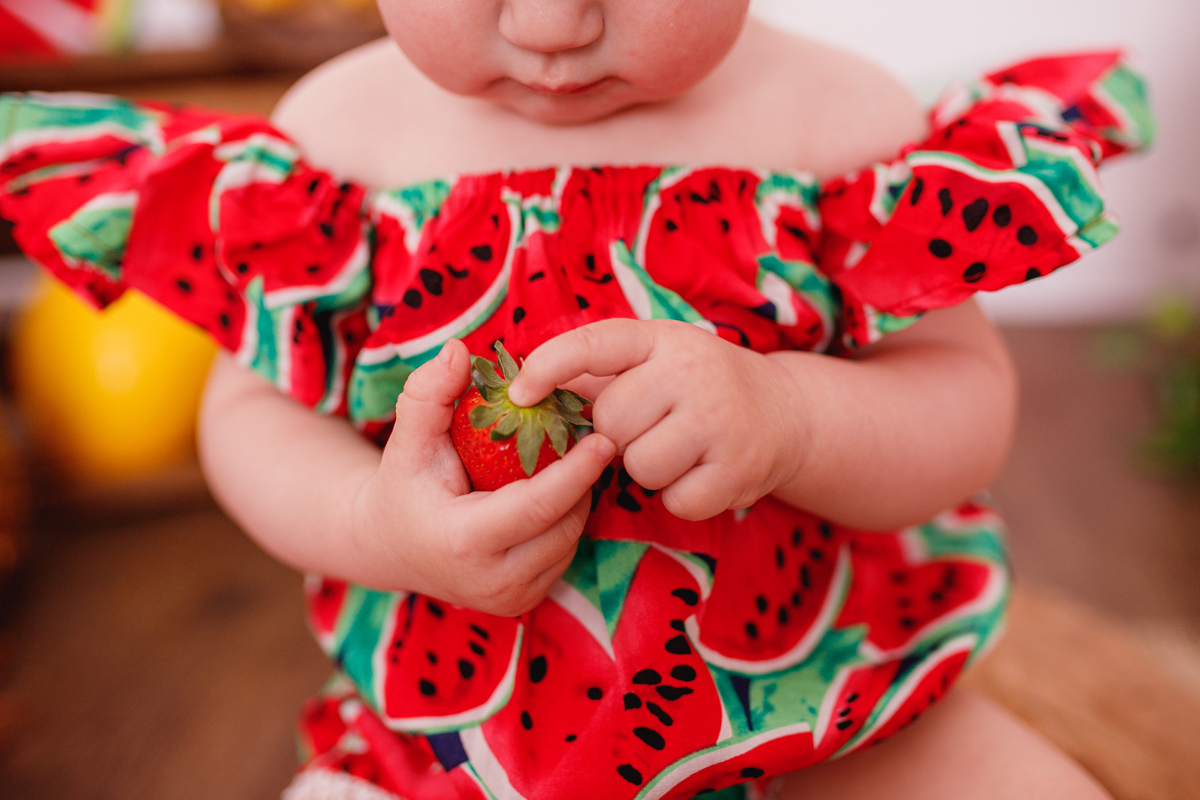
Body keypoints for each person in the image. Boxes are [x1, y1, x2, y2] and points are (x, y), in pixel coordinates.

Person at [0, 2, 1152, 798]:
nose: (551, 26)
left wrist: (792, 415)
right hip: (459, 738)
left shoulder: (843, 124)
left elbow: (964, 395)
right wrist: (375, 524)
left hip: (839, 700)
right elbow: (249, 416)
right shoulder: (338, 138)